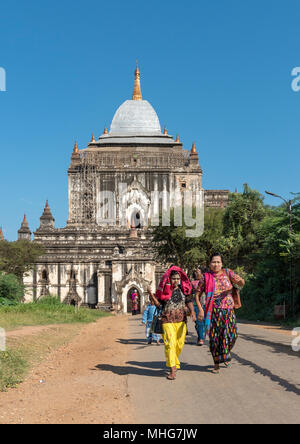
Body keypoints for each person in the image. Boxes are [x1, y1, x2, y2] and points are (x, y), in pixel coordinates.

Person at [195, 253, 245, 374]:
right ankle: (216, 363)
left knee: (232, 336)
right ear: (209, 264)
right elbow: (197, 295)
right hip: (213, 312)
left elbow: (241, 283)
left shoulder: (228, 273)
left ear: (222, 263)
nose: (216, 264)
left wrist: (241, 281)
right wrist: (201, 310)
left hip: (228, 310)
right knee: (215, 338)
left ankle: (226, 352)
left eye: (218, 262)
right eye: (213, 262)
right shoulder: (205, 277)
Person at [148, 265, 196, 380]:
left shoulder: (184, 290)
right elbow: (158, 304)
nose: (176, 281)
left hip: (181, 321)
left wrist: (193, 312)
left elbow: (189, 301)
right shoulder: (164, 291)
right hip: (167, 320)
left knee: (179, 344)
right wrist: (150, 293)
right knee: (170, 344)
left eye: (177, 279)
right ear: (169, 279)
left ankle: (174, 361)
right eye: (174, 279)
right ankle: (173, 369)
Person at [191, 268, 207, 346]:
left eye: (198, 272)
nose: (196, 274)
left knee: (203, 323)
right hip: (196, 304)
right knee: (198, 322)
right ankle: (200, 337)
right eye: (195, 272)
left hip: (205, 304)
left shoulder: (207, 282)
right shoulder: (193, 283)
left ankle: (201, 337)